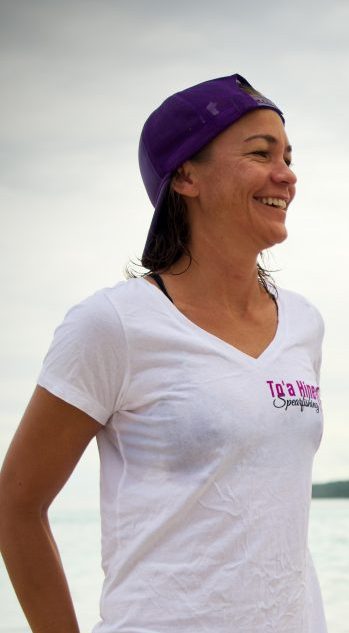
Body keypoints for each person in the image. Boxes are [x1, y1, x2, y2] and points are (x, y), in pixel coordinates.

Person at [0, 74, 327, 632]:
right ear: (185, 176)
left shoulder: (303, 323)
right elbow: (15, 507)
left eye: (288, 156)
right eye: (260, 153)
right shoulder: (114, 324)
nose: (286, 175)